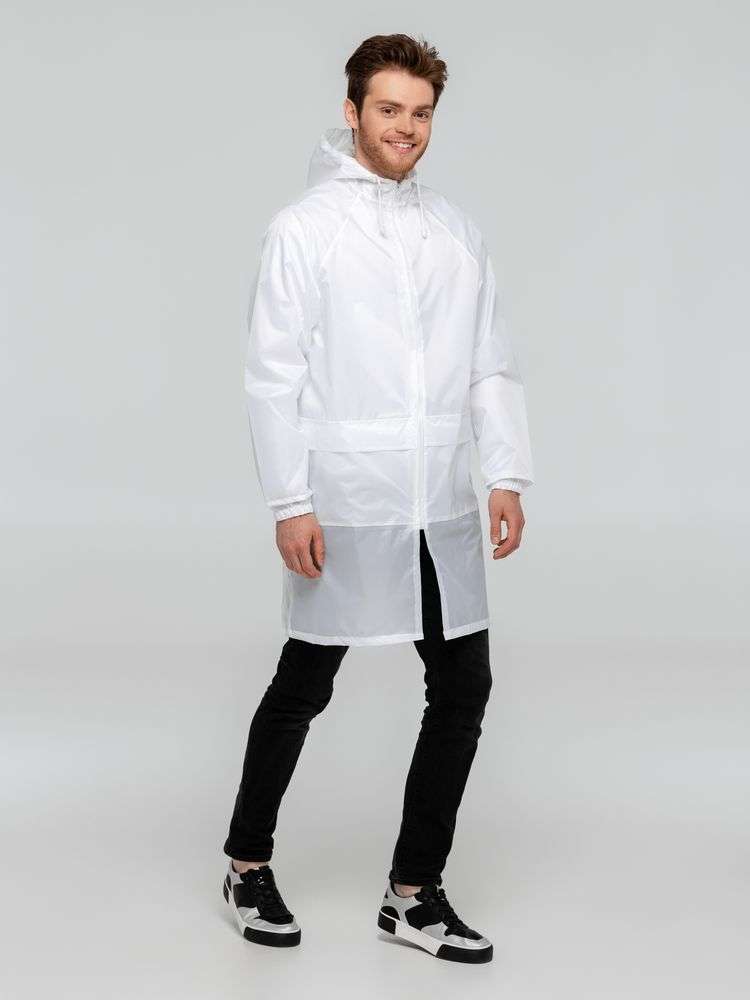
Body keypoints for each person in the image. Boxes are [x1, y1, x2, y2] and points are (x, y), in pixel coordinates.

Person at [222, 33, 534, 964]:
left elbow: (489, 360)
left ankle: (413, 893)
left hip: (438, 498)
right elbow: (272, 375)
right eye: (389, 109)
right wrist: (289, 500)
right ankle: (245, 864)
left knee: (464, 686)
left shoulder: (455, 231)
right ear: (352, 111)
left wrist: (505, 473)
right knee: (305, 682)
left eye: (421, 112)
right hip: (349, 495)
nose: (406, 127)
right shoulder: (305, 228)